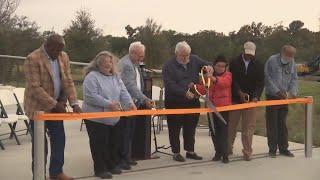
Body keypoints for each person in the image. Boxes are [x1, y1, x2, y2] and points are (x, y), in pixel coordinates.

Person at [24, 34, 82, 180]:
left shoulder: (63, 56)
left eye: (61, 50)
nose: (59, 53)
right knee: (40, 145)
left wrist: (74, 103)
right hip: (38, 109)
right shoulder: (33, 59)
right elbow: (34, 88)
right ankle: (38, 175)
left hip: (56, 108)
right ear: (48, 45)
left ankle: (56, 173)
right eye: (56, 50)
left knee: (59, 140)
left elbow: (68, 81)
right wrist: (54, 104)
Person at [82, 51, 137, 179]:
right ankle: (100, 169)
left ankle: (111, 165)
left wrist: (130, 103)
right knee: (99, 144)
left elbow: (123, 92)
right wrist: (108, 104)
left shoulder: (116, 77)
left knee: (113, 142)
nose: (109, 65)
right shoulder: (92, 77)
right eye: (106, 62)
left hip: (113, 118)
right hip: (96, 119)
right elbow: (90, 96)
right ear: (98, 64)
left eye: (111, 62)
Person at [162, 41, 213, 162]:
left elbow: (207, 64)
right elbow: (170, 85)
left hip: (192, 101)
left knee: (190, 127)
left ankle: (190, 151)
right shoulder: (168, 66)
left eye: (187, 55)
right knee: (174, 128)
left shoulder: (194, 59)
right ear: (176, 54)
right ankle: (176, 152)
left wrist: (209, 67)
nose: (186, 58)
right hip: (174, 101)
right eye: (183, 55)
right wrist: (184, 92)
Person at [118, 41, 154, 170]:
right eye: (140, 56)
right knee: (124, 133)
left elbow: (138, 83)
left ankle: (127, 157)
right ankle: (122, 159)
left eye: (142, 56)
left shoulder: (135, 64)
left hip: (134, 103)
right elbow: (130, 86)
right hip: (127, 104)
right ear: (132, 53)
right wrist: (144, 99)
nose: (142, 58)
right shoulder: (127, 65)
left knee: (130, 133)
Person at [228, 41, 265, 161]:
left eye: (251, 54)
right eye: (247, 53)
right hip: (235, 99)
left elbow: (260, 82)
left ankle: (247, 152)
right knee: (231, 126)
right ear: (243, 50)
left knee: (249, 127)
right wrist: (239, 92)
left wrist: (256, 96)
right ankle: (228, 149)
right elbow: (231, 80)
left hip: (251, 101)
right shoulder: (234, 62)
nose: (249, 56)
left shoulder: (259, 64)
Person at [264, 45, 298, 158]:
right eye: (288, 55)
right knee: (272, 124)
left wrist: (292, 92)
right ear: (282, 52)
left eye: (291, 56)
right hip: (272, 96)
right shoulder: (272, 60)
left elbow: (294, 78)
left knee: (282, 124)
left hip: (285, 98)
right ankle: (272, 150)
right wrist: (277, 91)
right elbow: (267, 78)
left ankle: (284, 148)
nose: (289, 58)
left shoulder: (292, 61)